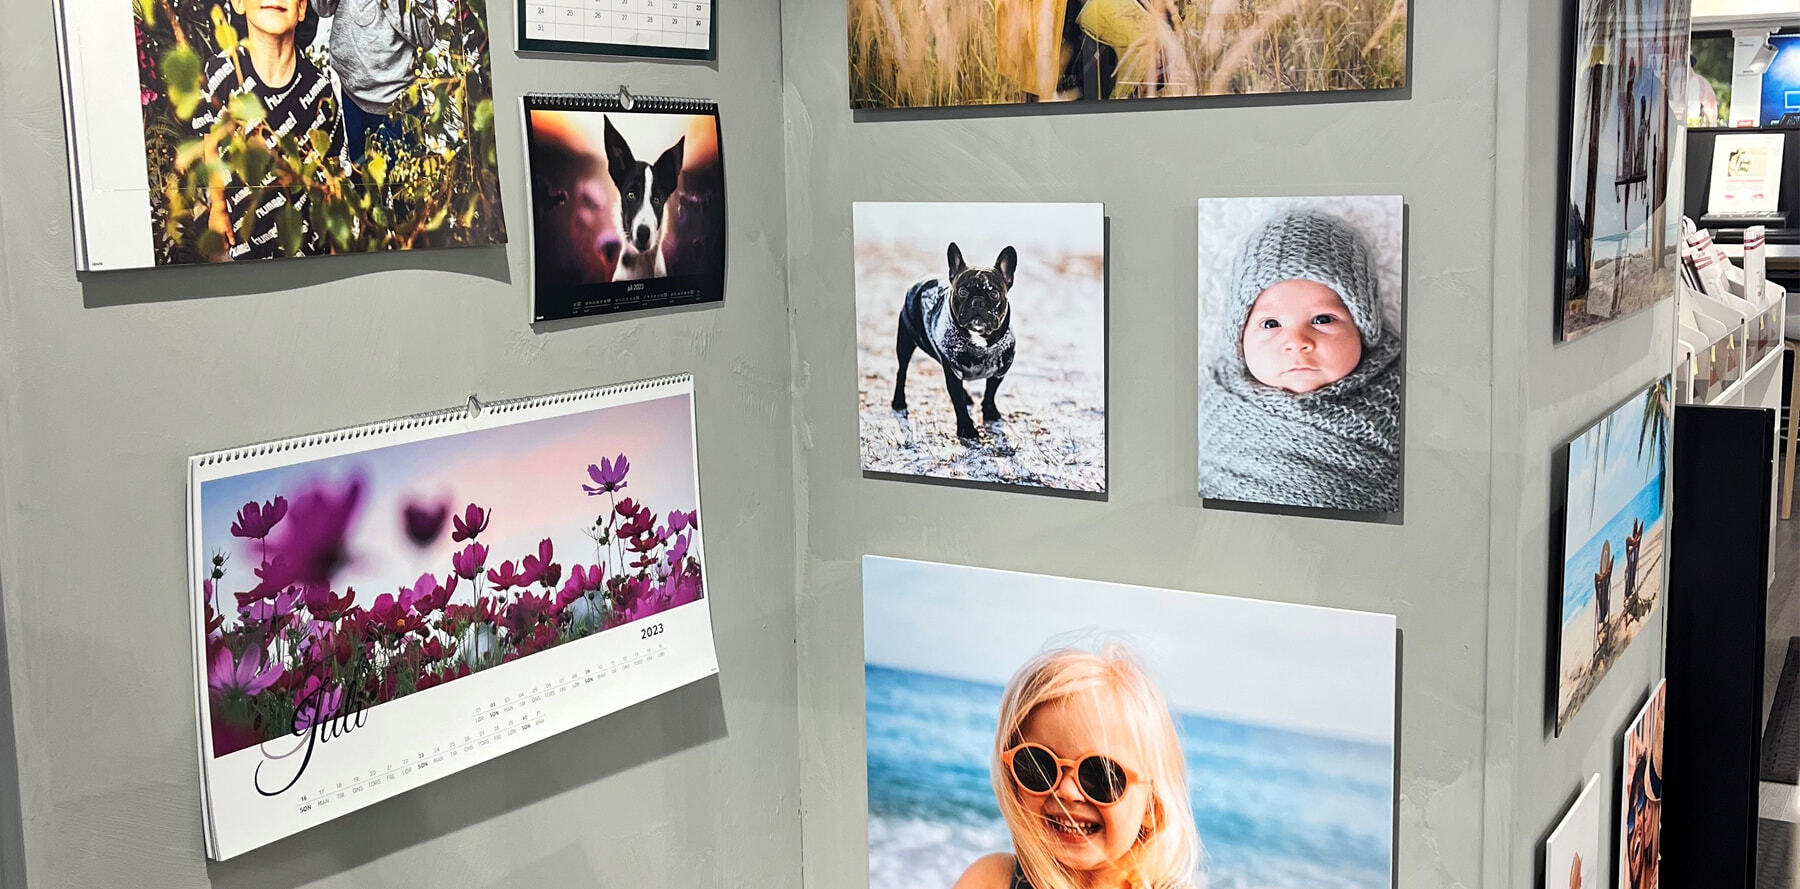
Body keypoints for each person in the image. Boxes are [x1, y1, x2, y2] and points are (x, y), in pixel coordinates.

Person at [1197, 210, 1403, 512]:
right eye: (1270, 324)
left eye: (1322, 319)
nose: (1297, 342)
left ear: (1363, 327)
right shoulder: (1216, 404)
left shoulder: (1403, 397)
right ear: (1239, 338)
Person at [953, 644, 1199, 889]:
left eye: (1100, 775)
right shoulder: (993, 880)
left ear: (1151, 808)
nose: (1067, 792)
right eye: (1039, 766)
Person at [190, 0, 344, 260]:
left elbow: (331, 177)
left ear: (302, 8)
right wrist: (218, 207)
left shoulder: (321, 92)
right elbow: (211, 145)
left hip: (305, 251)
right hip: (242, 244)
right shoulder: (221, 75)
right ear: (239, 4)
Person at [313, 0, 437, 164]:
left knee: (403, 183)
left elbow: (426, 35)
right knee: (360, 178)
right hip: (349, 94)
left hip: (397, 105)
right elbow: (323, 8)